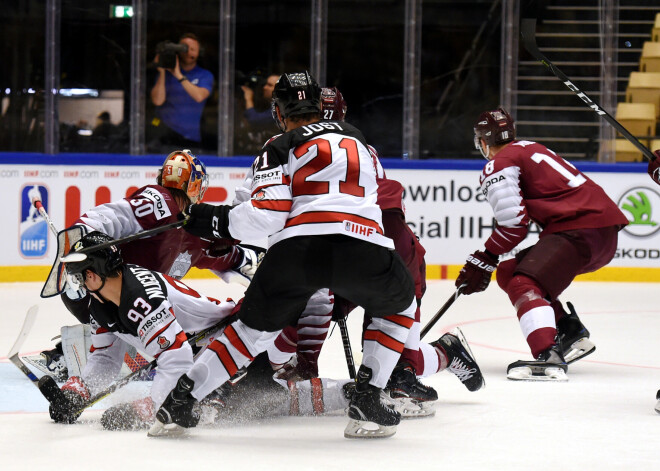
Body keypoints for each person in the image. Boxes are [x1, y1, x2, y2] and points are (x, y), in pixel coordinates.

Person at [149, 71, 417, 439]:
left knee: (249, 332)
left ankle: (180, 401)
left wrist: (207, 219)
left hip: (298, 251)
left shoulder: (279, 144)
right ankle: (368, 398)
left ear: (279, 110)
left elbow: (265, 213)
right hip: (364, 247)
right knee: (400, 306)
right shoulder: (361, 142)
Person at [267, 87, 484, 408]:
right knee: (308, 307)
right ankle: (443, 354)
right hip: (352, 245)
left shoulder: (288, 147)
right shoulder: (354, 146)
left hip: (378, 247)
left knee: (393, 364)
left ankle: (429, 360)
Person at [34, 150, 261, 381]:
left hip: (124, 309)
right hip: (97, 291)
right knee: (195, 326)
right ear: (194, 186)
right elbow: (113, 216)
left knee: (168, 324)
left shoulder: (195, 232)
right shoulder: (160, 201)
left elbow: (229, 247)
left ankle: (79, 350)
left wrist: (248, 260)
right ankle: (72, 352)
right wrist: (83, 235)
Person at [456, 107, 628, 381]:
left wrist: (485, 256)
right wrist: (491, 260)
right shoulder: (531, 147)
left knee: (523, 283)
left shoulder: (498, 164)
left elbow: (513, 225)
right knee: (510, 270)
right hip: (600, 231)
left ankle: (547, 355)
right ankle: (569, 331)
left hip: (579, 229)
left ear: (483, 142)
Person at [47, 231, 237, 426]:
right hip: (199, 352)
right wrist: (80, 391)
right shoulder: (101, 304)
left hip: (229, 343)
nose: (81, 285)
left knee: (226, 404)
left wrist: (155, 406)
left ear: (92, 275)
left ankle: (217, 393)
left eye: (79, 278)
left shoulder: (142, 300)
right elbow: (105, 356)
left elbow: (176, 359)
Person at [149, 33, 213, 152]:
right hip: (164, 137)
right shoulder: (166, 74)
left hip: (190, 138)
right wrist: (162, 70)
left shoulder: (204, 75)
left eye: (192, 49)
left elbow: (199, 96)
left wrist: (178, 74)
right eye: (184, 48)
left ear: (200, 52)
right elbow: (157, 100)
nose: (188, 52)